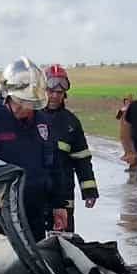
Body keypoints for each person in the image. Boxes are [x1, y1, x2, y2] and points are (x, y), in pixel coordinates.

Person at [0, 63, 58, 239]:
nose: (23, 108)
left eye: (29, 103)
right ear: (7, 95)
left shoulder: (43, 124)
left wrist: (58, 205)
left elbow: (55, 167)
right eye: (19, 101)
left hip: (34, 217)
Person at [37, 77, 100, 233]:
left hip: (64, 194)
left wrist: (89, 191)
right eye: (51, 91)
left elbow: (82, 160)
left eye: (59, 92)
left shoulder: (71, 123)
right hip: (35, 192)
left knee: (64, 242)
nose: (55, 96)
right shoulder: (31, 117)